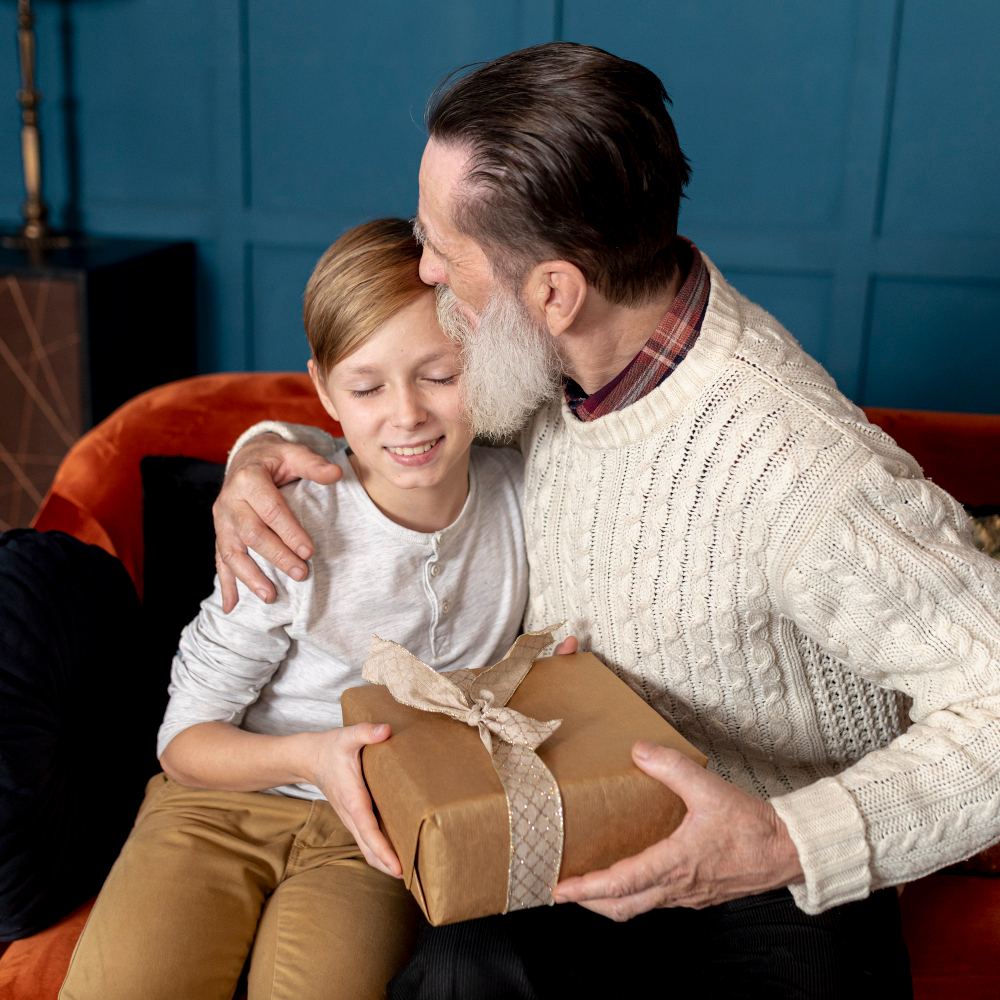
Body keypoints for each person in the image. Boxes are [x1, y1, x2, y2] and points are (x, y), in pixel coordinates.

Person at [213, 43, 1000, 998]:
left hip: (771, 872)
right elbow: (410, 424)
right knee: (461, 971)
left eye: (440, 251)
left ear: (552, 291)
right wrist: (257, 454)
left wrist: (787, 841)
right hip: (578, 808)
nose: (421, 274)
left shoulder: (804, 474)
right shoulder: (538, 359)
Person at [59, 218, 551, 1000]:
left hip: (374, 833)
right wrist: (311, 757)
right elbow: (183, 741)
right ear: (324, 391)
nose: (408, 414)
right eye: (366, 387)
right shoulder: (289, 523)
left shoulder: (526, 498)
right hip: (219, 803)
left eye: (441, 374)